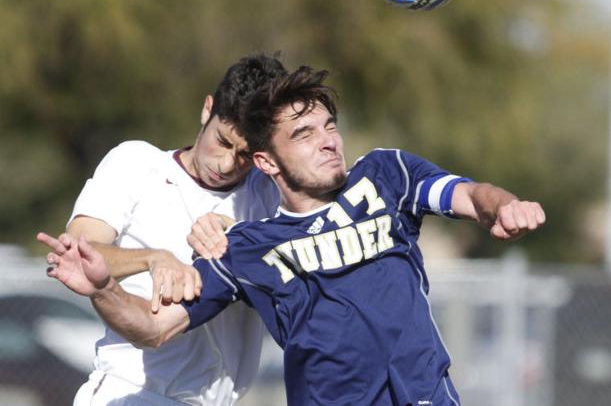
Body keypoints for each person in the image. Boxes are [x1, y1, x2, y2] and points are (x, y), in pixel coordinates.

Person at [39, 67, 545, 406]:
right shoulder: (249, 244)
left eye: (330, 126)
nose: (327, 141)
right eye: (304, 135)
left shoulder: (386, 176)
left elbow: (468, 193)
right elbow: (152, 328)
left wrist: (501, 206)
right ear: (269, 161)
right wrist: (106, 288)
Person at [49, 54, 285, 405]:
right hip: (132, 394)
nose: (226, 164)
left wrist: (240, 237)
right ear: (207, 110)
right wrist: (153, 259)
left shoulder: (269, 196)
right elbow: (80, 251)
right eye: (222, 141)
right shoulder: (136, 162)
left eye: (245, 154)